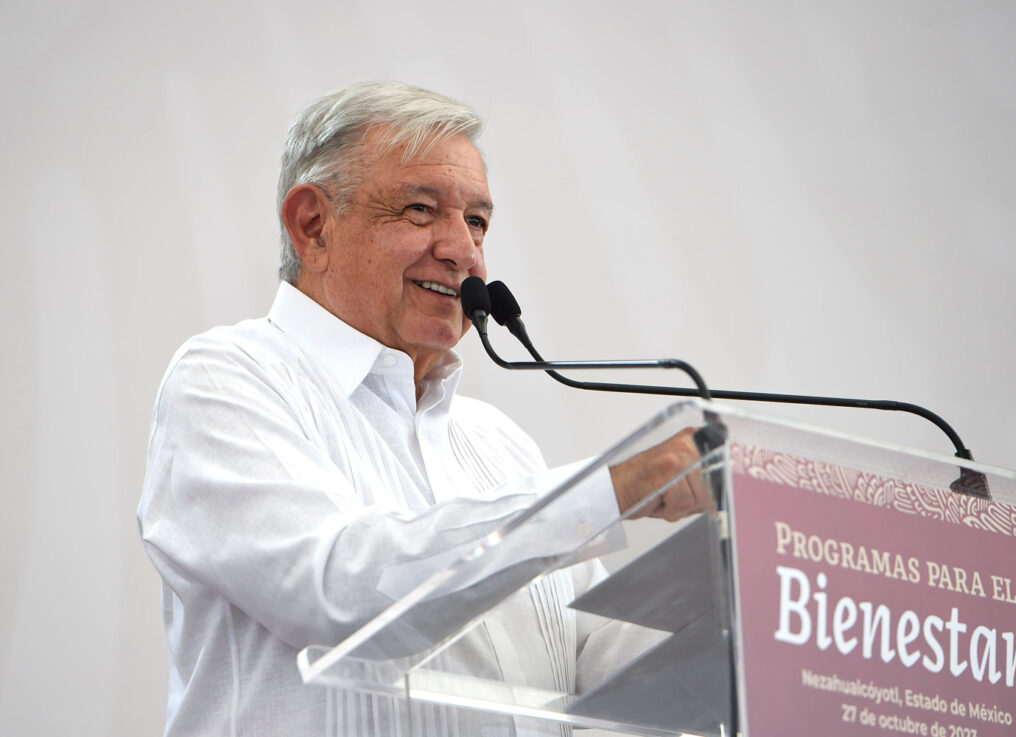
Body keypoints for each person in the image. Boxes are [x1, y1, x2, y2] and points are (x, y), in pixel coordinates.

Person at [138, 80, 711, 737]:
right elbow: (339, 592)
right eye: (420, 209)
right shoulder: (226, 380)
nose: (463, 250)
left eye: (477, 221)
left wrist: (737, 612)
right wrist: (611, 489)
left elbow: (582, 661)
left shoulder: (498, 442)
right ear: (313, 225)